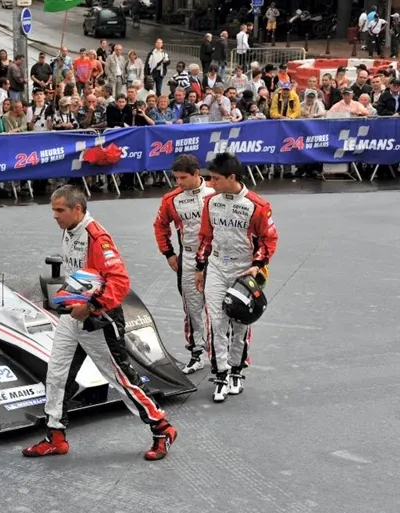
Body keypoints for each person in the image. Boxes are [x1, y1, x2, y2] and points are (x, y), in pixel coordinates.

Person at [23, 185, 177, 461]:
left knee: (120, 378)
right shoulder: (70, 230)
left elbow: (119, 281)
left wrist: (91, 306)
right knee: (57, 374)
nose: (54, 216)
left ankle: (162, 428)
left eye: (59, 210)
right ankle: (55, 436)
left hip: (99, 319)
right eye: (53, 210)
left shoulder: (97, 237)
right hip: (73, 317)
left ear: (77, 209)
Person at [195, 153, 278, 403]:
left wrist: (257, 265)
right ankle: (220, 374)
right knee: (216, 322)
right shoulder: (210, 202)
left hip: (244, 269)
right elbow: (206, 237)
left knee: (241, 323)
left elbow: (268, 239)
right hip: (216, 267)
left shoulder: (257, 205)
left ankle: (236, 371)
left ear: (232, 177)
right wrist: (200, 267)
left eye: (215, 179)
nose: (211, 183)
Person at [153, 155, 215, 374]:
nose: (178, 182)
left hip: (217, 259)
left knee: (220, 309)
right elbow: (160, 226)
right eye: (176, 178)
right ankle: (197, 353)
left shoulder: (215, 192)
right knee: (192, 309)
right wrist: (169, 253)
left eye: (183, 178)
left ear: (196, 173)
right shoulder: (171, 199)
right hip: (188, 259)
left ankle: (220, 354)